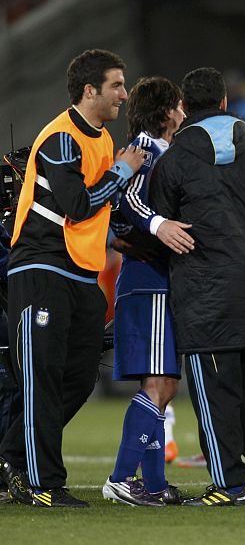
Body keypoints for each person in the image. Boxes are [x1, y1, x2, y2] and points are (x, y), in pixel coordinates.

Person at [0, 49, 144, 507]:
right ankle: (42, 484)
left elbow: (100, 209)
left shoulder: (102, 138)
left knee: (79, 378)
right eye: (116, 85)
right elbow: (78, 206)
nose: (124, 94)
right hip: (42, 267)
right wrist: (123, 170)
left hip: (81, 274)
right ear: (89, 90)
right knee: (42, 377)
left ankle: (10, 457)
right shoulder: (62, 137)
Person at [149, 67, 245, 507]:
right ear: (225, 102)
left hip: (207, 295)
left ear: (185, 107)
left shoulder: (173, 160)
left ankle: (227, 484)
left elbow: (164, 226)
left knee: (216, 398)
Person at [102, 76, 191, 507]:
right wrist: (160, 225)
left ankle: (154, 484)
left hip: (156, 280)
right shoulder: (144, 147)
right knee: (159, 383)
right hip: (147, 282)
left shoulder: (162, 151)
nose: (185, 113)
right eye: (179, 105)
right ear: (166, 111)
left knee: (165, 385)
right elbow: (125, 200)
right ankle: (121, 479)